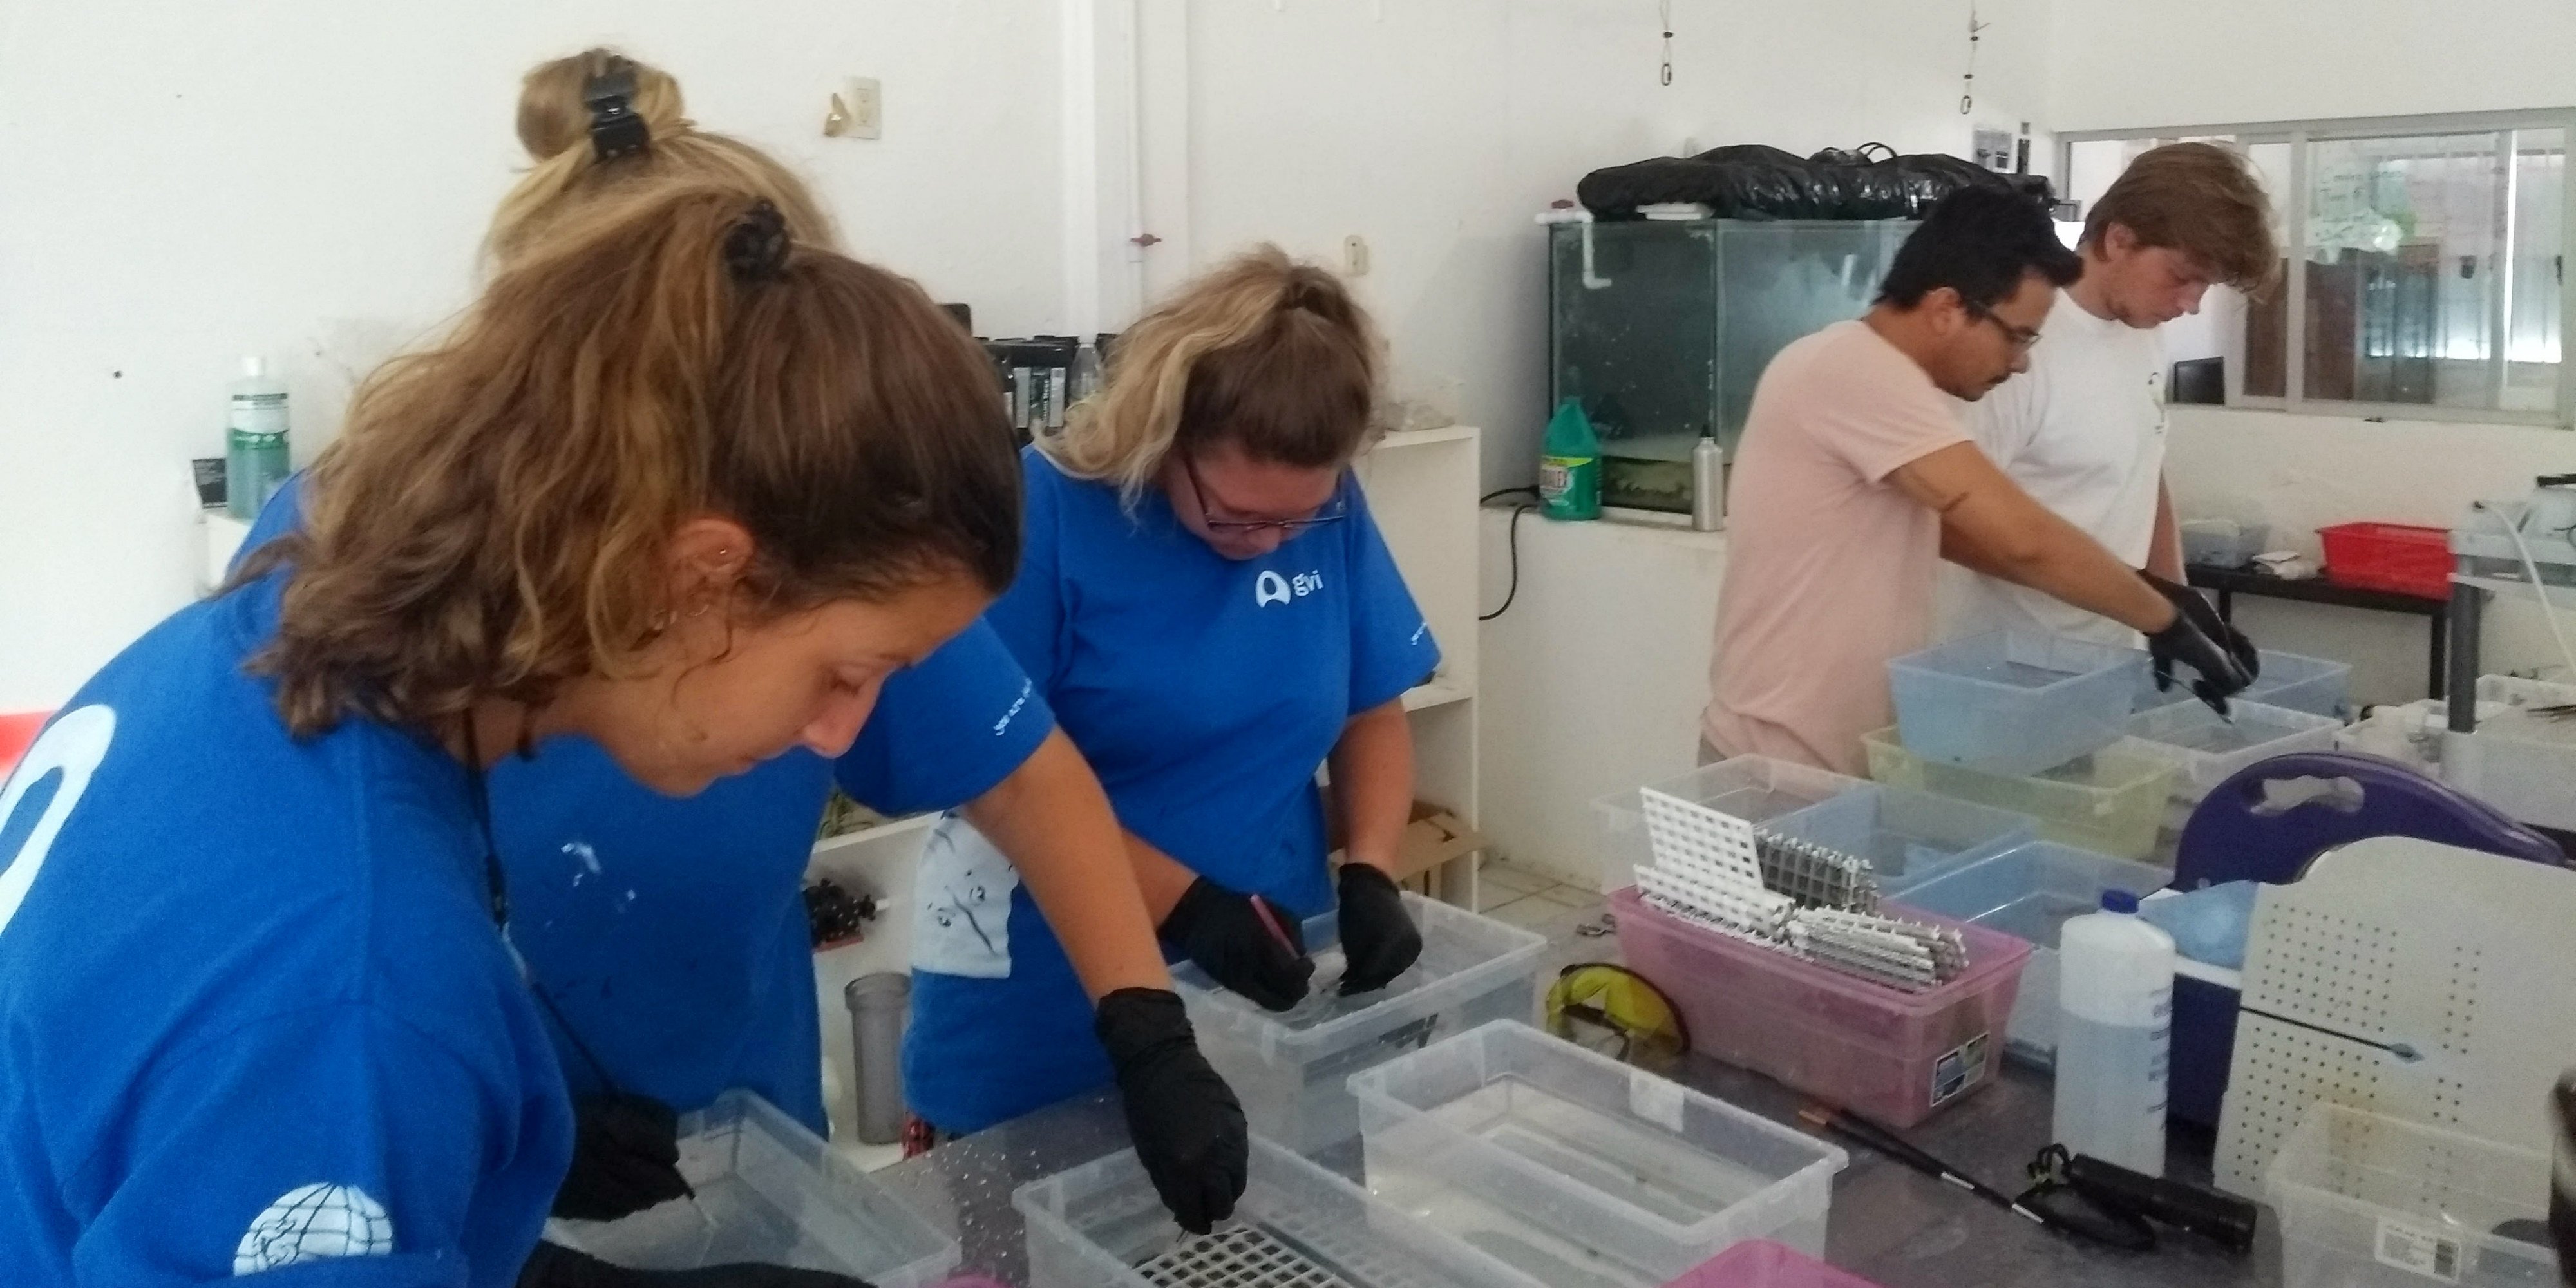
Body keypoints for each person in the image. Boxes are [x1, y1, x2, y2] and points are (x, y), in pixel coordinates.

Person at [231, 49, 1255, 1242]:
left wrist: (1147, 1025)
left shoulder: (818, 572)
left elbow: (1021, 772)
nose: (838, 726)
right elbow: (292, 1056)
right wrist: (500, 1134)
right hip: (437, 1191)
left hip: (740, 1146)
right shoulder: (336, 607)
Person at [0, 182, 1107, 1283]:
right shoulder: (360, 988)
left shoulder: (258, 636)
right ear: (699, 575)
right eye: (847, 674)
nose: (840, 734)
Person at [901, 246, 1437, 1141]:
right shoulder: (1046, 517)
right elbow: (992, 776)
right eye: (1236, 516)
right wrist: (1186, 904)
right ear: (1164, 435)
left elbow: (1368, 705)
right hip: (1047, 993)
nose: (1271, 543)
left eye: (1297, 519)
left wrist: (1374, 870)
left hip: (1262, 982)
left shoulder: (1326, 508)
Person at [1702, 187, 2255, 775]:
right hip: (1772, 763)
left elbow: (1998, 543)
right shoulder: (1851, 369)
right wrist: (2162, 620)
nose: (2020, 363)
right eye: (2017, 336)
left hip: (1843, 758)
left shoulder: (1895, 383)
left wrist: (2153, 591)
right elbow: (2022, 537)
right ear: (1946, 308)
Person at [1949, 142, 2278, 645]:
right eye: (2182, 277)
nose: (2191, 305)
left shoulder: (2142, 331)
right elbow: (1949, 524)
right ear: (2119, 240)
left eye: (2206, 286)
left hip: (2110, 655)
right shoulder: (2017, 345)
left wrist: (2179, 604)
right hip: (2006, 661)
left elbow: (2144, 468)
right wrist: (2133, 602)